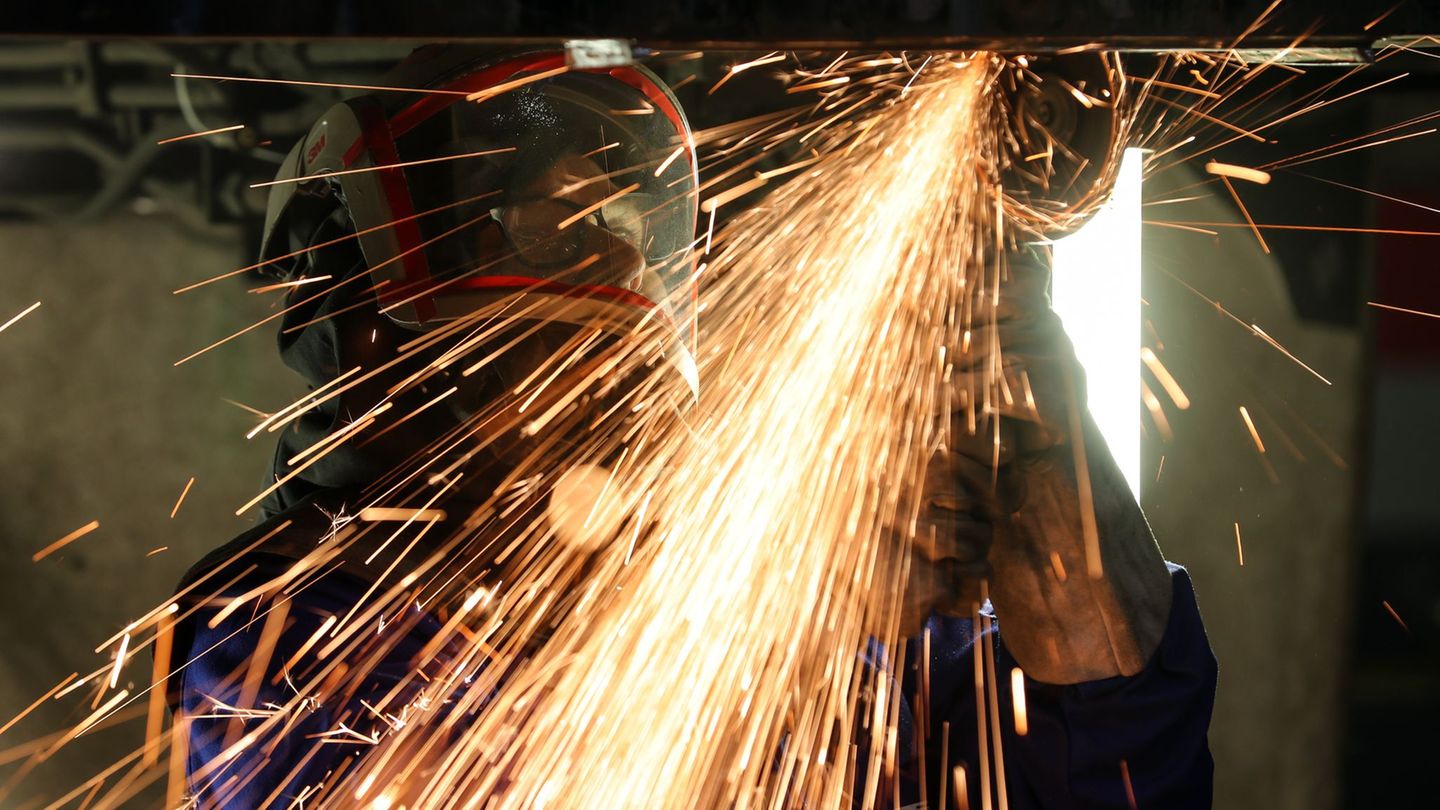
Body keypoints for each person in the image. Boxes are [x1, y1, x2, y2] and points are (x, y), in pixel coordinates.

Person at [165, 46, 1215, 808]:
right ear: (364, 335)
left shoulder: (835, 602)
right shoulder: (274, 636)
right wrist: (791, 621)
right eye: (534, 352)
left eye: (607, 214)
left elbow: (1125, 758)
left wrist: (1029, 388)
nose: (590, 224)